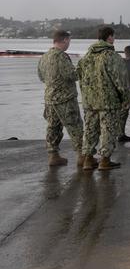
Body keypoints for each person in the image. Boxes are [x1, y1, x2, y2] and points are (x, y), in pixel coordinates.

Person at [77, 26, 130, 171]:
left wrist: (85, 96)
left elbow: (80, 78)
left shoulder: (86, 57)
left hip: (89, 101)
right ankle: (104, 160)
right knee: (108, 130)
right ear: (110, 37)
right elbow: (121, 81)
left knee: (90, 130)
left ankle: (88, 159)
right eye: (113, 36)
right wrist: (126, 99)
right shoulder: (111, 56)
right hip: (108, 101)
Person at [37, 30, 85, 167]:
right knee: (75, 126)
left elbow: (41, 77)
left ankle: (53, 156)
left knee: (53, 127)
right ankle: (82, 156)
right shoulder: (61, 57)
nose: (69, 44)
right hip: (65, 99)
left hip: (49, 99)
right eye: (69, 41)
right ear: (64, 40)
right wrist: (82, 67)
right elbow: (72, 75)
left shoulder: (44, 57)